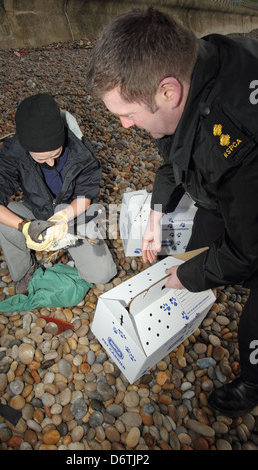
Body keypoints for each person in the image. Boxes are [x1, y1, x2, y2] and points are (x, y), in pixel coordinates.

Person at [87, 7, 258, 416]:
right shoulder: (199, 59)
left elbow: (249, 250)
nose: (125, 125)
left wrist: (190, 275)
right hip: (227, 188)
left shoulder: (237, 149)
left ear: (168, 92)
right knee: (194, 249)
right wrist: (156, 214)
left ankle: (253, 381)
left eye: (127, 114)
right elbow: (175, 155)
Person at [0, 93, 117, 295]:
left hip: (75, 213)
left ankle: (70, 247)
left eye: (56, 154)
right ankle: (25, 271)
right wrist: (24, 227)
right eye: (41, 158)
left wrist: (63, 217)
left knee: (102, 274)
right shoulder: (14, 151)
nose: (51, 163)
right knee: (0, 218)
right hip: (36, 210)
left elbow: (86, 193)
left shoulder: (81, 152)